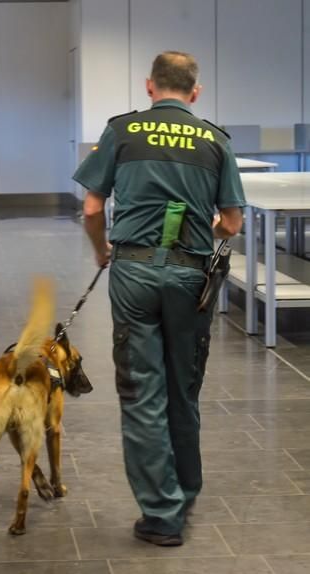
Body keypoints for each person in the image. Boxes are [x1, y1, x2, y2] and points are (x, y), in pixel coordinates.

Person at [73, 51, 245, 546]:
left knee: (142, 390)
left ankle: (162, 512)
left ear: (150, 87)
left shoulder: (122, 131)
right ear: (195, 92)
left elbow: (90, 207)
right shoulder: (215, 138)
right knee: (183, 385)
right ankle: (185, 490)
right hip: (192, 278)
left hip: (134, 272)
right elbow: (232, 223)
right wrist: (197, 225)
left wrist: (102, 250)